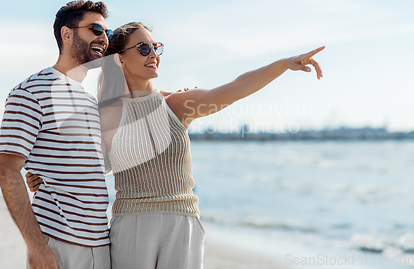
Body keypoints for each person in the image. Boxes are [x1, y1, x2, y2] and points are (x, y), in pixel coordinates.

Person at [28, 22, 324, 269]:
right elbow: (88, 167)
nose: (153, 54)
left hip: (182, 224)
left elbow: (235, 89)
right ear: (119, 59)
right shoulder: (103, 114)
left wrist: (283, 64)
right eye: (143, 48)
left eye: (156, 47)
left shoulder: (178, 104)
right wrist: (45, 177)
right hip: (131, 225)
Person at [0, 0, 113, 269]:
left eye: (107, 32)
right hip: (58, 241)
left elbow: (89, 167)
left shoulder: (88, 100)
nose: (103, 39)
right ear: (67, 33)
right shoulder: (30, 92)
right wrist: (37, 247)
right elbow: (7, 171)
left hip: (101, 241)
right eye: (96, 29)